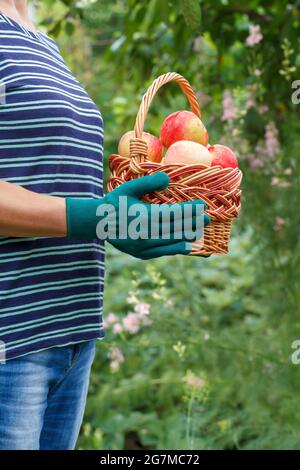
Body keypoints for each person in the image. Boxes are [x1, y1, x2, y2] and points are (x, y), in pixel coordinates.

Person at [0, 0, 209, 450]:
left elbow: (43, 178)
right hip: (11, 340)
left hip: (71, 335)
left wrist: (117, 220)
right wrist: (96, 218)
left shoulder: (38, 38)